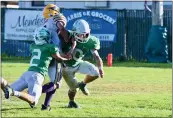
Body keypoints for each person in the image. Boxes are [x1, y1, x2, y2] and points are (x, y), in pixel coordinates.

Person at [1, 27, 71, 108]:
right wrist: (66, 58)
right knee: (33, 100)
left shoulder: (33, 46)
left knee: (7, 89)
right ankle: (14, 92)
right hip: (36, 75)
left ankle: (1, 81)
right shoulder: (51, 47)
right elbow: (58, 58)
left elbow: (44, 51)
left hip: (26, 74)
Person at [61, 19, 104, 108]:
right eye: (80, 34)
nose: (83, 36)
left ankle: (83, 84)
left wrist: (101, 69)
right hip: (66, 67)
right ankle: (71, 102)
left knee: (96, 73)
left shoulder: (92, 41)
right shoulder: (66, 36)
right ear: (74, 32)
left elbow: (96, 56)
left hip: (78, 62)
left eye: (85, 34)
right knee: (74, 89)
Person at [41, 4, 77, 110]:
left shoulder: (44, 23)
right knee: (56, 83)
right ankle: (35, 93)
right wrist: (67, 38)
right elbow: (61, 28)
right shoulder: (57, 18)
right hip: (55, 56)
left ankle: (46, 105)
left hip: (43, 55)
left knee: (51, 81)